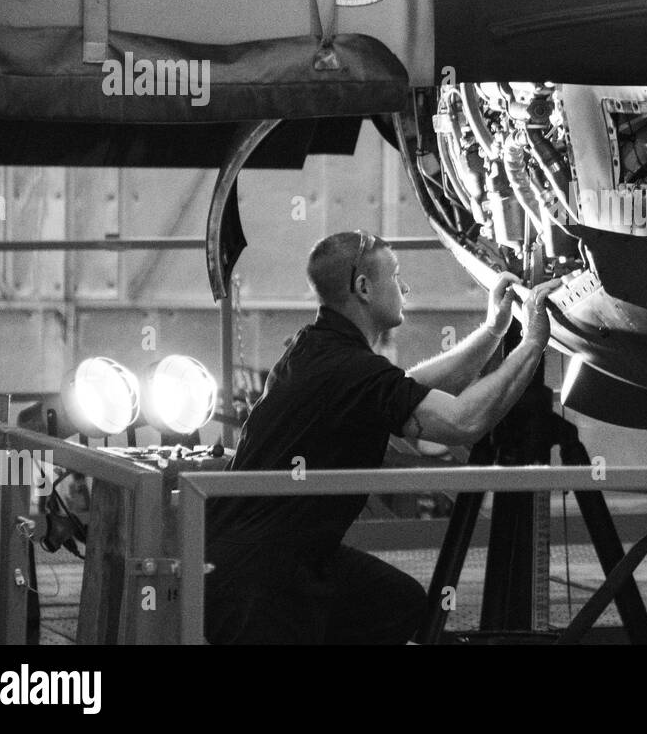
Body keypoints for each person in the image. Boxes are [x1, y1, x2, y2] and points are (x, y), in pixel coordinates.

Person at [204, 229, 559, 644]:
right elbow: (464, 421)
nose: (404, 286)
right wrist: (534, 342)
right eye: (395, 275)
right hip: (258, 581)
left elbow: (405, 388)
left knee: (398, 604)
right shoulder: (350, 369)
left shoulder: (317, 348)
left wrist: (495, 330)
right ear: (364, 288)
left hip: (261, 554)